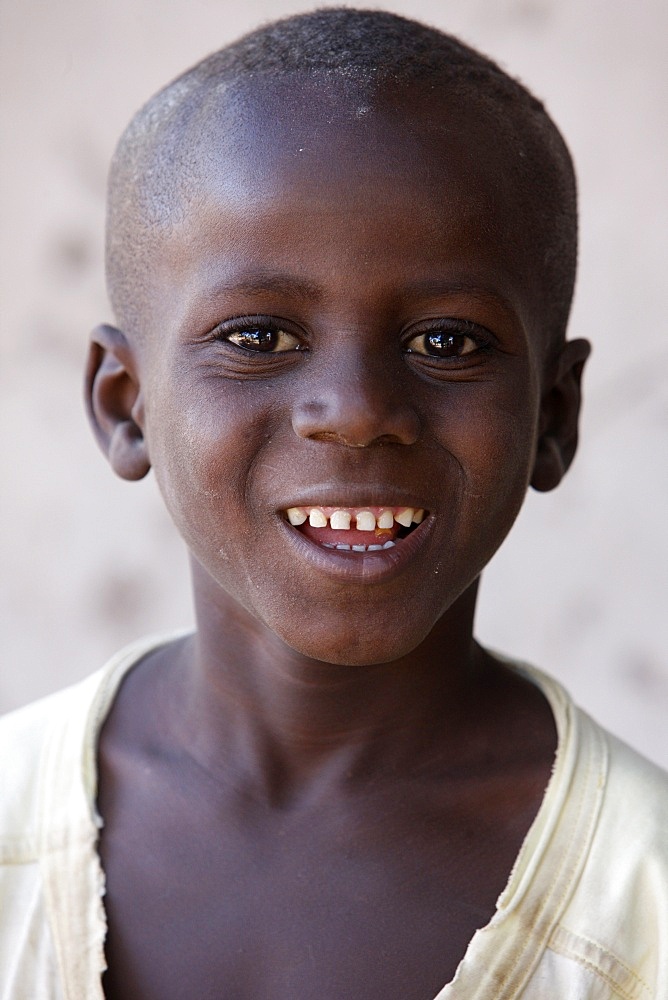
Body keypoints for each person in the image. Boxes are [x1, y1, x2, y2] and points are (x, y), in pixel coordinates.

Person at [1, 8, 666, 999]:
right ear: (123, 405)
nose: (357, 416)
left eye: (446, 342)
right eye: (259, 336)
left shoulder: (640, 903)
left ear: (552, 417)